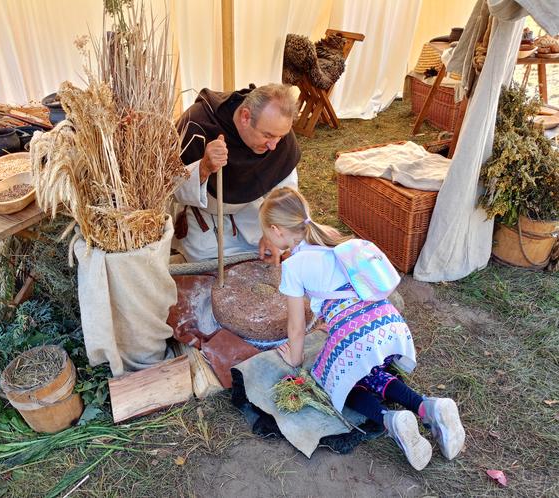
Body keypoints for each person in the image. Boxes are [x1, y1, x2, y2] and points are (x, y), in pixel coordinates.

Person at [259, 187, 465, 471]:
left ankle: (389, 419)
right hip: (386, 323)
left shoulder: (293, 265)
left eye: (267, 234)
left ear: (276, 230)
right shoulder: (329, 234)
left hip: (356, 334)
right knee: (367, 369)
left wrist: (294, 360)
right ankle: (426, 407)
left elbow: (295, 326)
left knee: (328, 381)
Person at [173, 83, 301, 263]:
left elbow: (285, 192)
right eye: (268, 136)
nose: (274, 145)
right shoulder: (196, 123)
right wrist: (203, 168)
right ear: (245, 117)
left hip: (251, 211)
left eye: (280, 137)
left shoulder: (277, 130)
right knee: (206, 265)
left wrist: (275, 232)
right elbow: (170, 187)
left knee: (269, 252)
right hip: (206, 214)